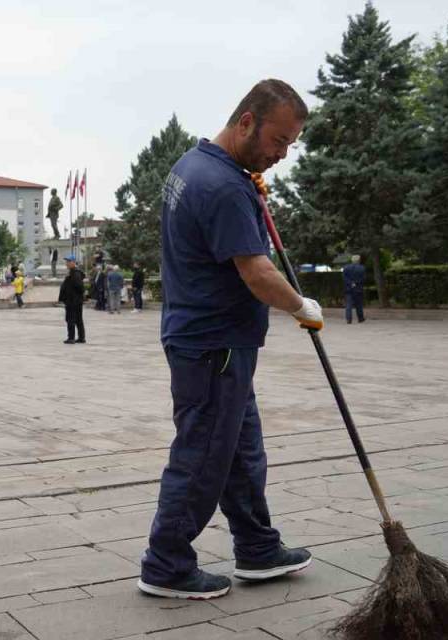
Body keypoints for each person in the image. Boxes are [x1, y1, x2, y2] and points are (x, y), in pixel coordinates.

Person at [139, 79, 324, 601]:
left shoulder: (193, 167)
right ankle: (166, 563)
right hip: (213, 345)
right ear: (246, 122)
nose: (281, 155)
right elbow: (258, 272)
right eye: (277, 141)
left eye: (290, 145)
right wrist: (299, 306)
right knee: (202, 456)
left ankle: (258, 547)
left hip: (213, 340)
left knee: (241, 452)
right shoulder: (222, 186)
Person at [58, 256, 85, 343]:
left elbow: (80, 287)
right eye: (66, 261)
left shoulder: (75, 274)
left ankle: (71, 338)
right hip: (73, 300)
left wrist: (73, 296)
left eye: (68, 261)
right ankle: (81, 337)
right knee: (77, 319)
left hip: (73, 301)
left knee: (71, 319)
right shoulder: (72, 273)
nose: (66, 263)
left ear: (73, 262)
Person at [343, 254, 366, 324]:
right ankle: (360, 318)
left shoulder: (346, 267)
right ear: (359, 260)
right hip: (358, 288)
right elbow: (363, 278)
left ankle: (348, 319)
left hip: (349, 288)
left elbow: (344, 278)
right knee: (359, 304)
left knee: (348, 305)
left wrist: (351, 283)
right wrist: (356, 283)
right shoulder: (362, 268)